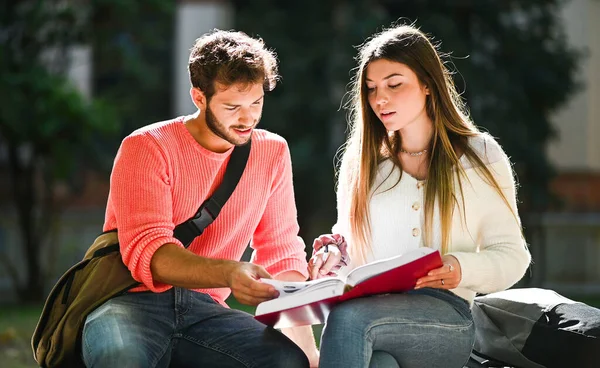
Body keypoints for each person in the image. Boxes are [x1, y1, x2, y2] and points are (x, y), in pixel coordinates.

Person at [81, 30, 319, 368]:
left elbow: (281, 251)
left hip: (206, 311)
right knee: (121, 357)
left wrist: (307, 353)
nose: (247, 118)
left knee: (285, 361)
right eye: (232, 106)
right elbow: (152, 254)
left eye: (256, 103)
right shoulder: (147, 146)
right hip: (129, 301)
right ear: (199, 97)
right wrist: (230, 273)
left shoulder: (272, 151)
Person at [309, 23, 532, 368]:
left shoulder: (480, 156)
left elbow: (513, 256)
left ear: (428, 84)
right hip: (373, 311)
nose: (380, 99)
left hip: (446, 318)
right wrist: (332, 257)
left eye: (394, 84)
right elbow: (351, 256)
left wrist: (461, 267)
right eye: (371, 89)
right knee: (378, 363)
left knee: (349, 319)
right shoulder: (361, 162)